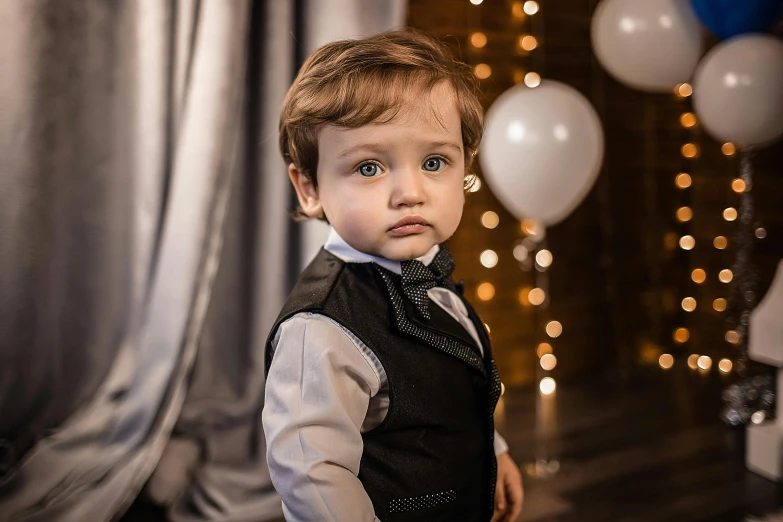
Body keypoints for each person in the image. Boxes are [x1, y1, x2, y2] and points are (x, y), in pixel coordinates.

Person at [262, 29, 524, 522]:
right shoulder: (320, 330)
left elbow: (457, 389)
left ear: (464, 164)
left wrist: (496, 452)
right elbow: (312, 475)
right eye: (368, 168)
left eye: (433, 161)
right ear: (309, 187)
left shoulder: (425, 270)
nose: (410, 191)